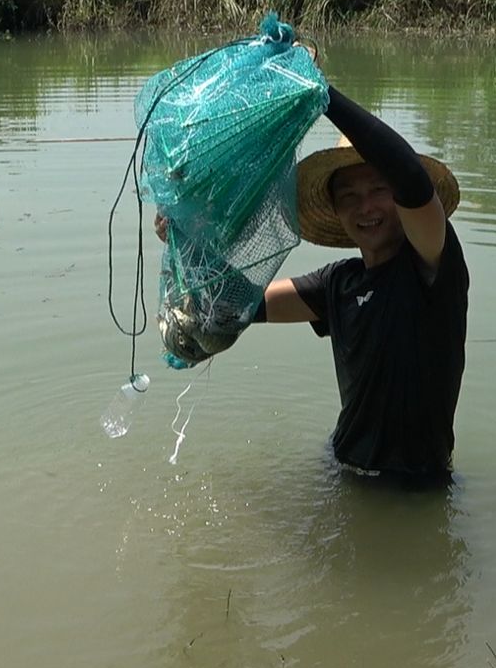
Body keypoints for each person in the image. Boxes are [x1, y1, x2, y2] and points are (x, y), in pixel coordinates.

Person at [159, 83, 469, 481]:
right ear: (336, 210)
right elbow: (242, 304)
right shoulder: (337, 284)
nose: (366, 206)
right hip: (342, 470)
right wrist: (188, 243)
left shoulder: (433, 266)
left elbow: (410, 177)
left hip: (418, 484)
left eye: (378, 189)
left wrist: (324, 94)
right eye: (349, 195)